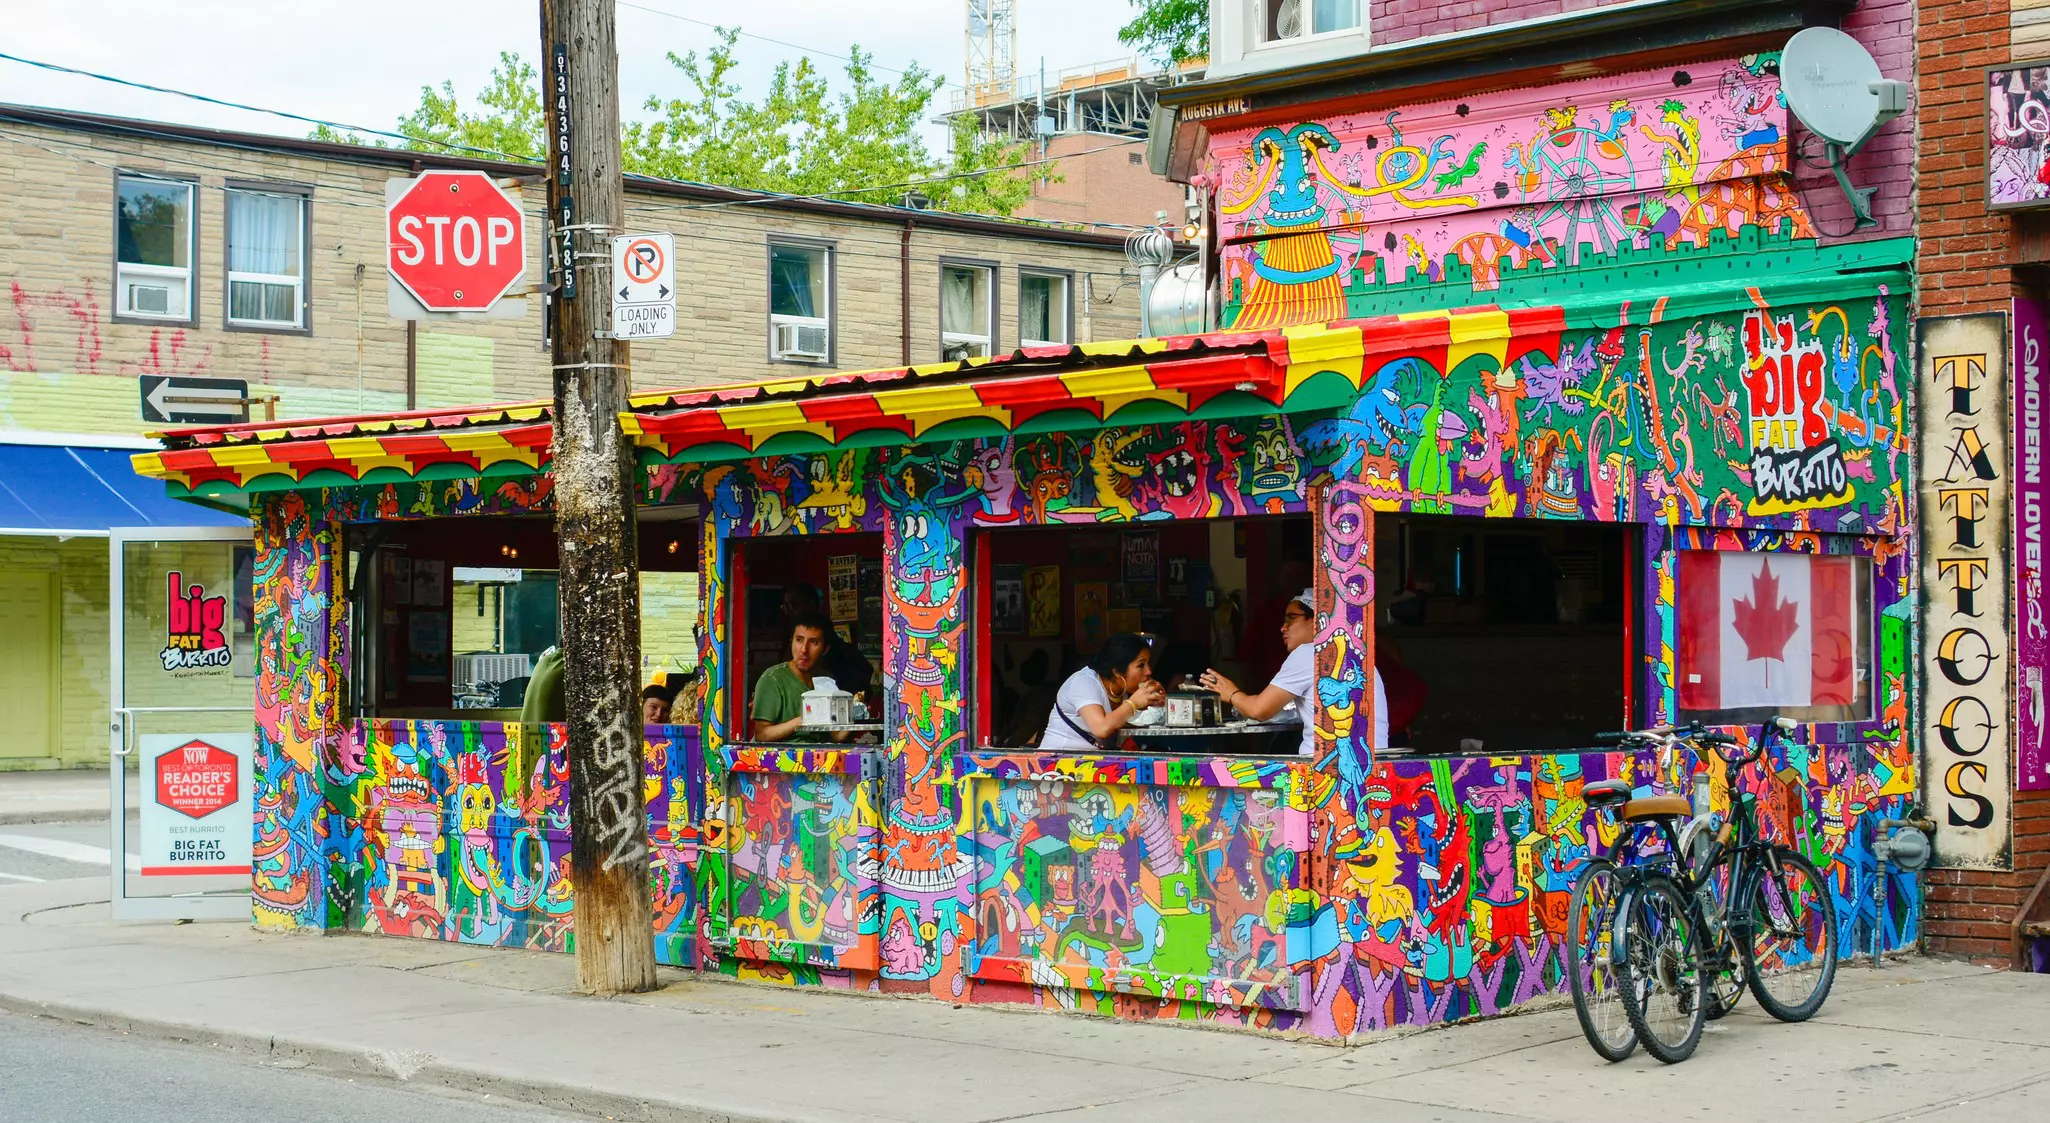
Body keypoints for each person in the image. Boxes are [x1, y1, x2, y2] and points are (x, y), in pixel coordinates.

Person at [1200, 589, 1388, 756]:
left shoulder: (1309, 653)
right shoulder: (1357, 656)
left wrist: (1231, 693)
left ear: (1316, 620)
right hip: (1371, 768)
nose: (1283, 627)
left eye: (1291, 618)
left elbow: (1259, 710)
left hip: (1327, 772)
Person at [1039, 633, 1166, 752]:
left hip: (1093, 764)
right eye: (1141, 665)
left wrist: (1154, 705)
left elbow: (1123, 722)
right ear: (1117, 671)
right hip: (1058, 762)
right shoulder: (1084, 682)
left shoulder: (1123, 690)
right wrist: (1133, 703)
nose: (1149, 671)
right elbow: (1102, 728)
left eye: (1148, 663)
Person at [751, 612, 840, 743]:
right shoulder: (772, 679)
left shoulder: (826, 680)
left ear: (825, 649)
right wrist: (803, 720)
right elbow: (761, 734)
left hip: (821, 758)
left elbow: (835, 736)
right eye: (799, 640)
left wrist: (853, 712)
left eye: (814, 642)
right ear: (791, 641)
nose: (804, 649)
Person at [781, 583, 874, 695]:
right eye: (799, 640)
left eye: (793, 604)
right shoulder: (774, 676)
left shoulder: (839, 655)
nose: (804, 649)